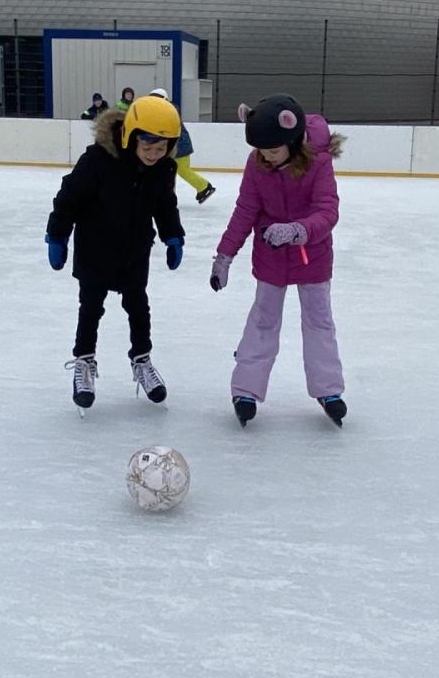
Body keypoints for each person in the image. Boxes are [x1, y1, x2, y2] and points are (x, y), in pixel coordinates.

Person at [209, 93, 347, 427]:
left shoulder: (318, 163)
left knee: (319, 322)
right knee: (263, 320)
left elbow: (328, 211)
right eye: (260, 151)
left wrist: (298, 230)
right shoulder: (258, 162)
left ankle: (328, 390)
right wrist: (224, 255)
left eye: (272, 151)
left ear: (293, 140)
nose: (265, 157)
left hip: (312, 256)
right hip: (270, 257)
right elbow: (245, 210)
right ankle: (246, 390)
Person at [46, 95, 185, 410]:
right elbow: (69, 197)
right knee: (91, 308)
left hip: (134, 250)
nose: (154, 155)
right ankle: (84, 362)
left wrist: (173, 236)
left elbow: (165, 205)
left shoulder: (163, 168)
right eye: (147, 147)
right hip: (95, 248)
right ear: (130, 136)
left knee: (138, 307)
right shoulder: (98, 159)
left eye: (162, 148)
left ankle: (142, 360)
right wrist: (57, 235)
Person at [149, 88, 215, 204]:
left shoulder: (169, 110)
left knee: (179, 170)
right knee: (174, 170)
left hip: (179, 146)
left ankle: (204, 187)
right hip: (176, 145)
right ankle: (202, 187)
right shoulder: (164, 110)